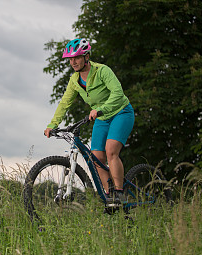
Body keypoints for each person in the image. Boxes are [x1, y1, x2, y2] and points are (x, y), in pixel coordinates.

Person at [44, 38, 135, 206]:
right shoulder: (74, 80)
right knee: (96, 158)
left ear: (86, 57)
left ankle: (120, 192)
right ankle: (110, 196)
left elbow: (118, 93)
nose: (73, 62)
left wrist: (101, 109)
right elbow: (65, 103)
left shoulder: (102, 71)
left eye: (77, 57)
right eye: (70, 59)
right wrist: (52, 125)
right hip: (101, 118)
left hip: (121, 112)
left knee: (111, 151)